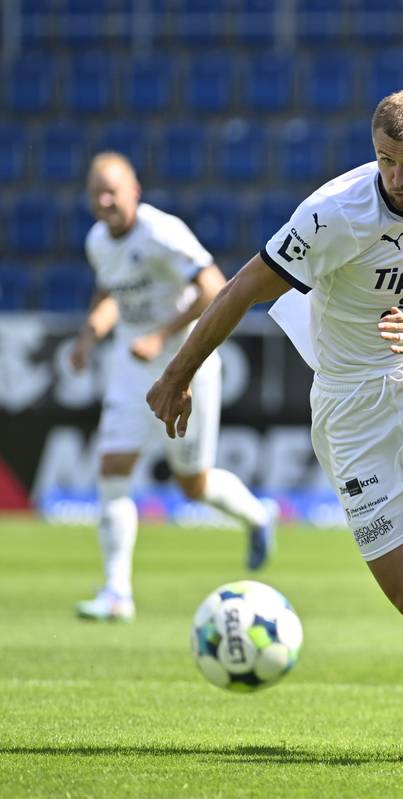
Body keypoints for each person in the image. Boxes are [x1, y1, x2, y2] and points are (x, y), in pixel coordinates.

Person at [146, 91, 403, 760]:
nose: (398, 178)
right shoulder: (332, 214)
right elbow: (240, 289)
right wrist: (179, 373)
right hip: (350, 406)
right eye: (385, 161)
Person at [71, 152, 275, 623]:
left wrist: (160, 336)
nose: (105, 201)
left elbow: (214, 287)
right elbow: (111, 293)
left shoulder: (163, 232)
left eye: (113, 191)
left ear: (134, 192)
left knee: (193, 484)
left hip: (188, 364)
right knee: (112, 466)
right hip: (132, 365)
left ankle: (258, 517)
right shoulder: (98, 241)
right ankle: (116, 592)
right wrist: (89, 336)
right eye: (97, 193)